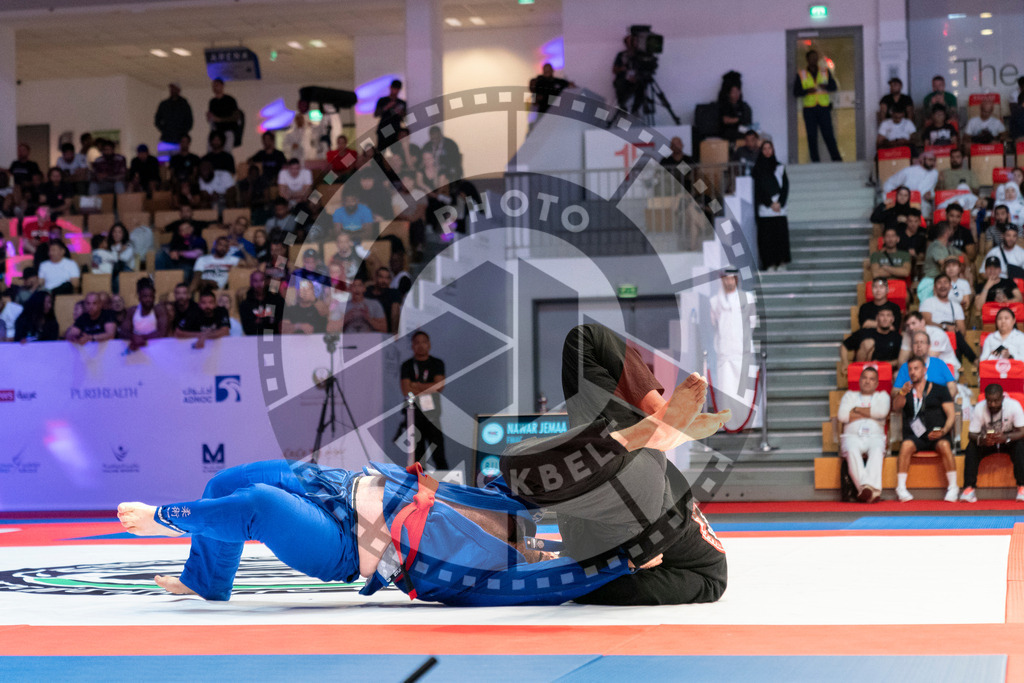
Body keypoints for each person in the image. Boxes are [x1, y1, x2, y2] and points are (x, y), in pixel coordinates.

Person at [116, 331, 728, 605]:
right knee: (225, 481)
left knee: (253, 505)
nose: (539, 543)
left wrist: (624, 564)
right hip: (349, 485)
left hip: (350, 543)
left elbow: (579, 581)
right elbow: (536, 483)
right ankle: (208, 578)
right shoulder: (511, 503)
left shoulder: (501, 579)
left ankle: (166, 521)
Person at [891, 357, 958, 503]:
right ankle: (901, 487)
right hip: (916, 435)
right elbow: (896, 407)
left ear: (924, 370)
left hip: (937, 433)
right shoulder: (906, 390)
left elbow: (951, 415)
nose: (913, 372)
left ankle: (953, 487)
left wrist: (943, 431)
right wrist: (902, 393)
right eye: (910, 369)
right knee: (906, 445)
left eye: (916, 368)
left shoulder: (940, 389)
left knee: (944, 445)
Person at [960, 384, 1024, 503]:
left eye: (996, 401)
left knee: (1020, 445)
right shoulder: (979, 408)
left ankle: (1022, 487)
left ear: (1002, 398)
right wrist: (982, 440)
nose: (993, 404)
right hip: (987, 441)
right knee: (971, 447)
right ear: (985, 399)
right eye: (989, 401)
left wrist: (1006, 437)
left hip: (1007, 440)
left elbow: (1022, 431)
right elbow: (971, 434)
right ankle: (969, 488)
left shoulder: (1014, 406)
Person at [837, 366, 889, 503]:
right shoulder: (849, 395)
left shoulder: (882, 396)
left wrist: (856, 410)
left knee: (877, 450)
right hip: (852, 436)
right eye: (864, 378)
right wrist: (872, 413)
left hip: (875, 437)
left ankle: (865, 490)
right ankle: (871, 490)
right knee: (851, 450)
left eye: (871, 379)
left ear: (876, 383)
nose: (867, 381)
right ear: (860, 380)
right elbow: (842, 416)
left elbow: (882, 412)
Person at [399, 330, 449, 470]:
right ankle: (419, 482)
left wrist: (416, 385)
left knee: (439, 454)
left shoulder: (437, 363)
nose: (421, 346)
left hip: (433, 415)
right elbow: (406, 390)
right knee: (417, 457)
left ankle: (445, 482)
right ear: (412, 346)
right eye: (417, 343)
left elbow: (439, 386)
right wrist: (428, 387)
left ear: (429, 344)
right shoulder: (407, 365)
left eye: (424, 342)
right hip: (414, 416)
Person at [793, 49, 841, 163]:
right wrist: (807, 91)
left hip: (823, 108)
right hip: (809, 109)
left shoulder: (825, 72)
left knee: (828, 135)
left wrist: (826, 86)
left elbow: (834, 87)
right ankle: (815, 161)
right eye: (811, 58)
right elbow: (796, 92)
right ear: (807, 59)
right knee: (812, 136)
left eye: (815, 58)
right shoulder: (802, 74)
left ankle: (837, 159)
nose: (814, 60)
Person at [708, 269, 748, 399]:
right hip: (724, 353)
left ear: (736, 279)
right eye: (726, 279)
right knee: (726, 390)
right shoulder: (715, 301)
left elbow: (751, 323)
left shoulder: (746, 299)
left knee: (744, 393)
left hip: (742, 352)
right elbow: (714, 323)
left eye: (731, 278)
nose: (729, 282)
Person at [751, 140, 790, 271]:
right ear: (761, 151)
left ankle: (782, 262)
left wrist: (780, 203)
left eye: (769, 148)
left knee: (781, 236)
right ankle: (769, 263)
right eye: (764, 149)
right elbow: (758, 190)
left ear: (773, 150)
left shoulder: (780, 167)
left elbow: (785, 187)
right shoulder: (757, 169)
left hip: (779, 208)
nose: (767, 151)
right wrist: (770, 203)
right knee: (767, 238)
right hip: (765, 209)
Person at [895, 315, 958, 392]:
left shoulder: (937, 333)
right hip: (917, 367)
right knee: (897, 375)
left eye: (913, 323)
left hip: (946, 364)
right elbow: (901, 361)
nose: (911, 327)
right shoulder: (909, 334)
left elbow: (928, 356)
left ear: (922, 322)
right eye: (908, 325)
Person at [841, 308, 901, 373]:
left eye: (888, 315)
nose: (885, 319)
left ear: (892, 319)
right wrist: (845, 362)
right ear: (877, 318)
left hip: (884, 370)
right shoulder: (864, 332)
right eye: (882, 315)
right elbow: (844, 345)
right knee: (868, 343)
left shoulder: (897, 337)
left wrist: (879, 364)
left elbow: (899, 360)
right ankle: (859, 372)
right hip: (862, 370)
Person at [883, 151, 938, 217]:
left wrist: (930, 194)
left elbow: (931, 189)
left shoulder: (934, 173)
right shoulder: (908, 171)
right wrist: (890, 198)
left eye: (934, 160)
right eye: (930, 160)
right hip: (908, 201)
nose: (932, 162)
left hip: (924, 203)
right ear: (922, 160)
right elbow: (890, 184)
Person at [120, 277, 168, 352]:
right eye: (145, 296)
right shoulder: (132, 311)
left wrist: (141, 337)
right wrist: (133, 337)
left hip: (155, 349)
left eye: (151, 296)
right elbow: (123, 332)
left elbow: (162, 333)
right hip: (136, 349)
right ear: (139, 297)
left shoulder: (159, 310)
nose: (148, 299)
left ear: (154, 297)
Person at [239, 270, 284, 336]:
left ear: (266, 282)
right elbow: (248, 329)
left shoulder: (277, 301)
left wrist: (260, 321)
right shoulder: (245, 305)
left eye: (261, 280)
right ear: (251, 283)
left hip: (275, 338)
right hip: (254, 339)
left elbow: (280, 324)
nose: (259, 284)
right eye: (255, 281)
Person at [154, 82, 193, 149]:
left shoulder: (184, 105)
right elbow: (157, 119)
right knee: (164, 156)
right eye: (171, 89)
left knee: (178, 156)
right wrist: (164, 130)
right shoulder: (164, 104)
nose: (172, 90)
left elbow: (189, 121)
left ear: (178, 90)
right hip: (166, 139)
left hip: (179, 141)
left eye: (174, 88)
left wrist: (182, 133)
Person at [207, 78, 241, 150]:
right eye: (213, 86)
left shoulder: (230, 100)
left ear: (222, 86)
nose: (215, 87)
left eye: (217, 85)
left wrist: (220, 119)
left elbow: (236, 116)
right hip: (216, 131)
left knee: (226, 151)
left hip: (228, 130)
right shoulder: (212, 102)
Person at [365, 266, 401, 333]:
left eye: (387, 278)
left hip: (386, 332)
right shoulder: (368, 291)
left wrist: (394, 333)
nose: (384, 281)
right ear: (375, 278)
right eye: (381, 277)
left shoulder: (393, 293)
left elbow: (395, 313)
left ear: (390, 280)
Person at [373, 79, 407, 151]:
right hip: (384, 127)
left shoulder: (402, 103)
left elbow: (404, 117)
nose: (395, 91)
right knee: (381, 150)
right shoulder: (383, 100)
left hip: (396, 128)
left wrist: (400, 113)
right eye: (394, 88)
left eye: (397, 89)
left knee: (396, 150)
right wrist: (386, 107)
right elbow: (376, 114)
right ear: (390, 87)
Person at [612, 35, 640, 114]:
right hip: (623, 79)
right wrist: (622, 69)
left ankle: (635, 110)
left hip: (637, 79)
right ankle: (622, 107)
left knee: (642, 86)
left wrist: (636, 76)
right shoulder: (621, 55)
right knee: (618, 84)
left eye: (633, 42)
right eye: (629, 42)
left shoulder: (640, 55)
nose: (631, 44)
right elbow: (614, 70)